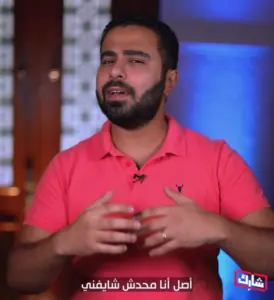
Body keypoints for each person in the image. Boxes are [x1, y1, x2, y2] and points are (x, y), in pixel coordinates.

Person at [7, 16, 274, 300]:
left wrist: (220, 229)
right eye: (107, 60)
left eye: (135, 61)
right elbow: (19, 277)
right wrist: (63, 242)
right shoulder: (66, 166)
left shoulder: (219, 159)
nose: (116, 72)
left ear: (169, 80)